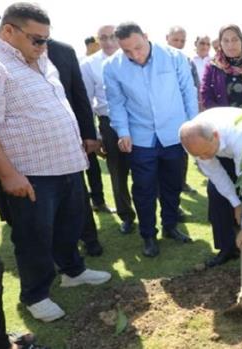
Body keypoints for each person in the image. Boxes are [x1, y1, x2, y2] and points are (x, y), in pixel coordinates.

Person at [0, 2, 111, 323]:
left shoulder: (42, 59)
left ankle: (73, 271)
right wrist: (8, 175)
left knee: (70, 224)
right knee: (34, 236)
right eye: (37, 39)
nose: (43, 45)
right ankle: (35, 294)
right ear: (8, 32)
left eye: (46, 39)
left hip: (67, 162)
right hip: (31, 173)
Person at [104, 22, 197, 257]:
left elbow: (188, 91)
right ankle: (148, 236)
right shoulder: (112, 67)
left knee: (172, 184)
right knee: (143, 189)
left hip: (174, 134)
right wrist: (123, 131)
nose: (135, 55)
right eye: (127, 51)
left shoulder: (175, 57)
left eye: (138, 47)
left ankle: (170, 226)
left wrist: (192, 127)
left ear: (146, 36)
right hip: (140, 138)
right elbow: (116, 103)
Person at [200, 24, 242, 266]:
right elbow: (205, 96)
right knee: (219, 192)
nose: (230, 44)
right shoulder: (213, 66)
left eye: (234, 39)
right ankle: (226, 247)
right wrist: (223, 122)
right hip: (219, 136)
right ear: (220, 43)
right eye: (225, 40)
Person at [179, 107, 242, 267]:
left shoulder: (238, 136)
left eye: (205, 153)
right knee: (215, 193)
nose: (203, 158)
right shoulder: (196, 142)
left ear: (215, 136)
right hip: (221, 147)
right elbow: (217, 176)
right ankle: (227, 248)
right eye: (197, 155)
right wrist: (236, 203)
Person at [47, 38, 105, 257]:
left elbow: (79, 94)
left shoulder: (63, 51)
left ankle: (89, 238)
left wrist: (89, 134)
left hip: (70, 136)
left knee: (77, 191)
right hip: (33, 145)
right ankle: (56, 247)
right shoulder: (2, 55)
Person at [80, 24, 137, 235]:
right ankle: (126, 216)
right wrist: (95, 135)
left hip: (137, 122)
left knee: (144, 170)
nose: (109, 41)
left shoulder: (132, 58)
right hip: (109, 124)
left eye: (113, 36)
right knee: (118, 172)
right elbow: (85, 101)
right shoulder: (89, 65)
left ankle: (149, 213)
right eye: (103, 37)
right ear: (97, 40)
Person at [166, 25, 200, 195]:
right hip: (164, 118)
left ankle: (182, 182)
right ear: (167, 38)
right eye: (175, 40)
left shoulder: (188, 61)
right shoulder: (157, 61)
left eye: (182, 41)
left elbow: (195, 87)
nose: (178, 44)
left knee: (183, 152)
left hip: (183, 116)